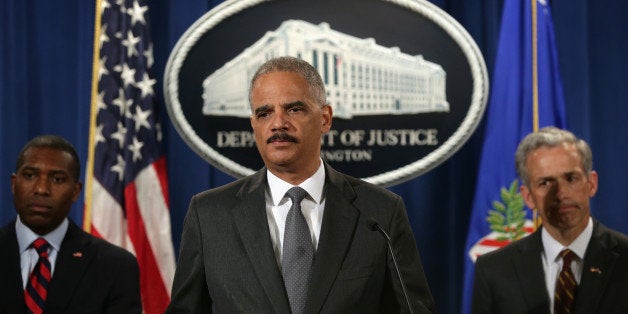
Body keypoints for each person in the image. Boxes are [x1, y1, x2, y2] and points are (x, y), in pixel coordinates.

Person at [166, 56, 435, 313]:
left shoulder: (380, 213)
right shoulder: (210, 214)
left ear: (325, 118)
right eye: (264, 113)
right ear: (254, 125)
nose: (278, 123)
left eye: (294, 109)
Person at [472, 127, 628, 314]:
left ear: (591, 183)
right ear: (528, 196)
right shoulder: (494, 270)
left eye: (571, 178)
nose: (561, 194)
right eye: (545, 183)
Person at [0, 135, 141, 313]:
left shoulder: (115, 266)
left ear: (75, 191)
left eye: (57, 179)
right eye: (30, 175)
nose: (41, 189)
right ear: (14, 184)